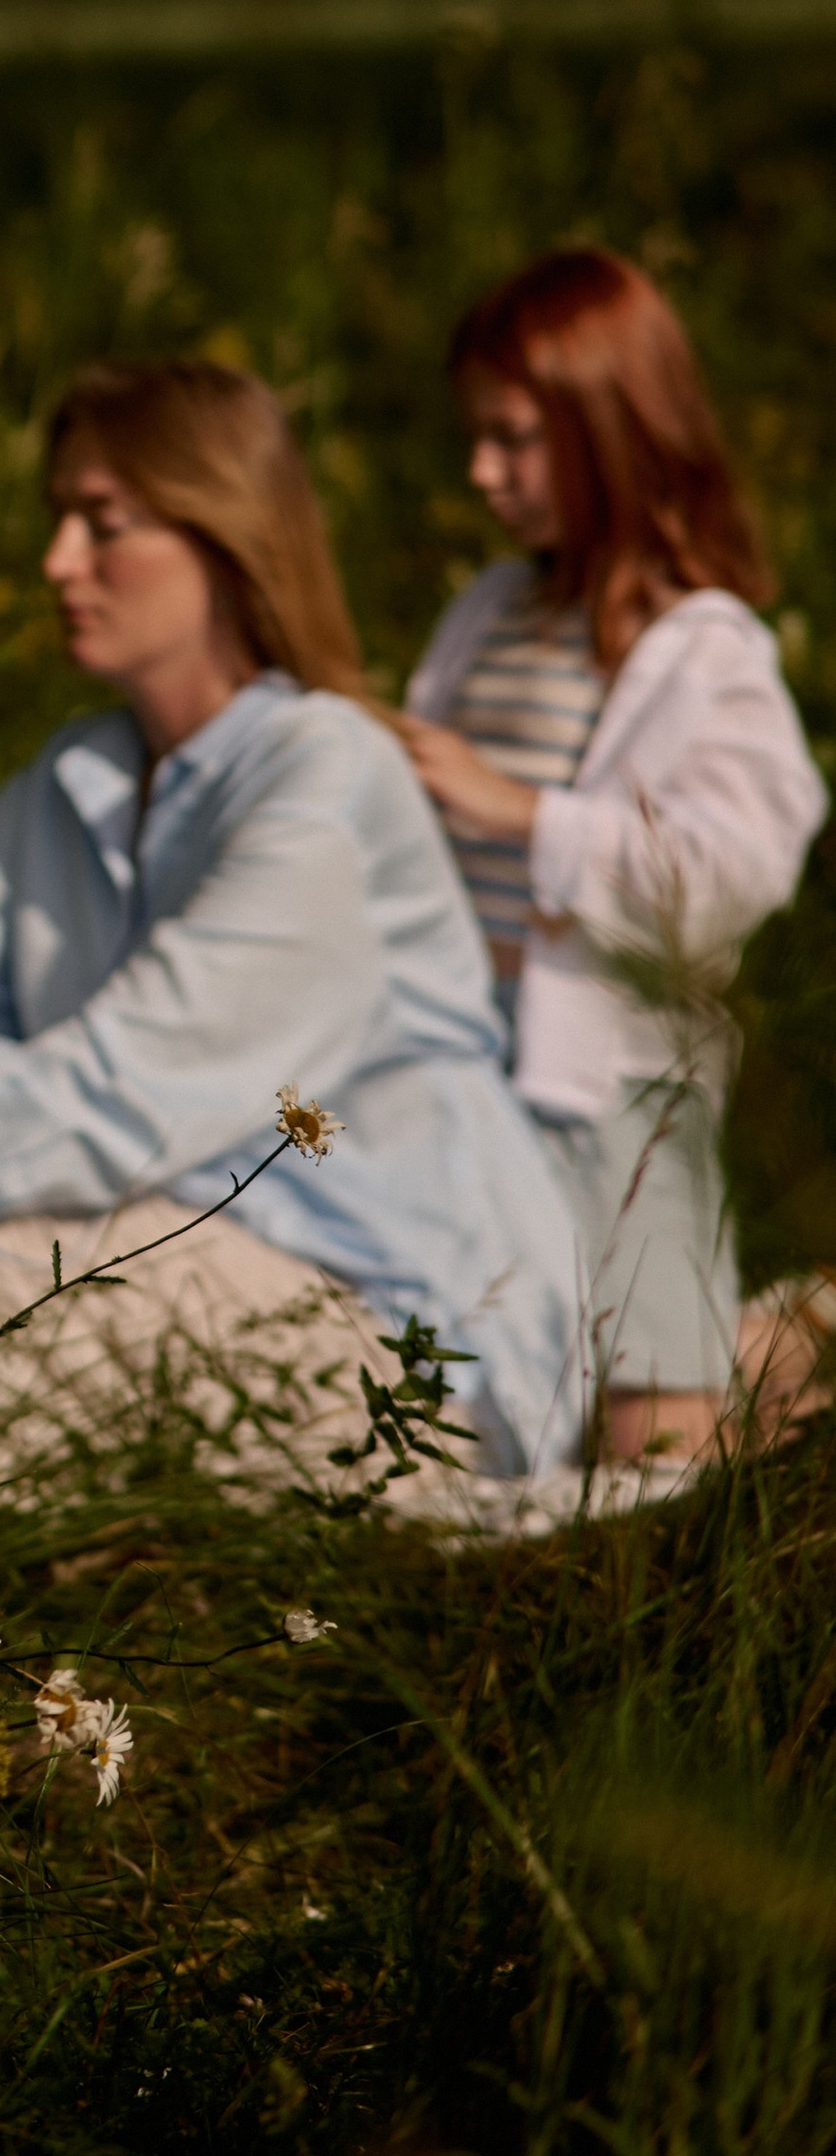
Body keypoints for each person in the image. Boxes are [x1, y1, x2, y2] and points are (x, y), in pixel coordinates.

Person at [0, 358, 587, 1495]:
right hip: (161, 1229)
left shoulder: (325, 771)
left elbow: (132, 1079)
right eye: (57, 517)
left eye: (102, 522)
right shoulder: (76, 778)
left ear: (223, 535)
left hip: (392, 1319)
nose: (58, 560)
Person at [398, 248, 827, 1469]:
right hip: (457, 1070)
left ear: (612, 427)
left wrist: (521, 814)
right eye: (473, 437)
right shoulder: (487, 610)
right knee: (511, 1411)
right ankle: (763, 1337)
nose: (482, 472)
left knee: (651, 1454)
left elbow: (725, 878)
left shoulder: (705, 647)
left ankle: (782, 1353)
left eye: (514, 438)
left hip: (620, 1094)